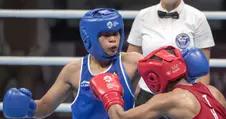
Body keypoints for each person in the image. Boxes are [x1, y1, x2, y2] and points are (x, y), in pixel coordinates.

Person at [3, 8, 144, 119]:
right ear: (90, 38)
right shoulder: (74, 71)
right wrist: (29, 108)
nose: (113, 39)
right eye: (106, 35)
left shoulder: (132, 62)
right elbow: (45, 107)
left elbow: (161, 89)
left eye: (116, 33)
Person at [126, 0, 215, 104]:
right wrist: (129, 94)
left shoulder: (197, 18)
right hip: (148, 94)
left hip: (185, 96)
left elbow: (203, 70)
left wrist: (201, 101)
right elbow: (131, 61)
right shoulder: (143, 16)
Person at [90, 46, 226, 119]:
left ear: (154, 77)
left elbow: (121, 117)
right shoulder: (212, 91)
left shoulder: (167, 99)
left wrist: (110, 95)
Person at [0, 0, 50, 100]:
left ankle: (25, 114)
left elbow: (43, 45)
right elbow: (2, 43)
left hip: (31, 60)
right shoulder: (4, 18)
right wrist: (10, 54)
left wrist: (26, 55)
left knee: (26, 81)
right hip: (8, 60)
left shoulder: (37, 18)